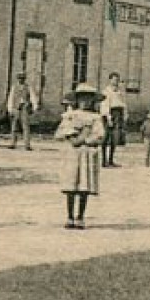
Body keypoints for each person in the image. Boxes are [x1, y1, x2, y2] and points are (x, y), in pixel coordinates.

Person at [55, 83, 106, 229]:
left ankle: (80, 217)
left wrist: (85, 139)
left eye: (88, 99)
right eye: (82, 99)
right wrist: (73, 138)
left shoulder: (95, 117)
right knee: (71, 184)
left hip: (87, 154)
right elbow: (63, 131)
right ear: (77, 100)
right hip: (72, 153)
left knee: (84, 185)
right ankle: (70, 216)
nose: (85, 102)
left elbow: (99, 135)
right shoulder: (70, 115)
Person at [100, 72, 128, 167]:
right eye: (114, 79)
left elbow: (124, 104)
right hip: (109, 114)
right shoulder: (106, 91)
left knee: (115, 138)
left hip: (118, 114)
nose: (116, 82)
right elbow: (105, 105)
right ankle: (104, 161)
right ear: (110, 80)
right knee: (105, 137)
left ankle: (111, 160)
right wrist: (108, 118)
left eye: (117, 80)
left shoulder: (120, 92)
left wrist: (124, 115)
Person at [6, 70, 38, 150]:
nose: (21, 79)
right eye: (19, 78)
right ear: (17, 79)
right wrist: (10, 108)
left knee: (25, 126)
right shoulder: (14, 87)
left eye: (22, 78)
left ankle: (27, 145)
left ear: (25, 79)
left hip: (24, 107)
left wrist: (34, 106)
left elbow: (33, 97)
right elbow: (11, 97)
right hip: (16, 107)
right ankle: (13, 143)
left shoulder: (28, 87)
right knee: (14, 126)